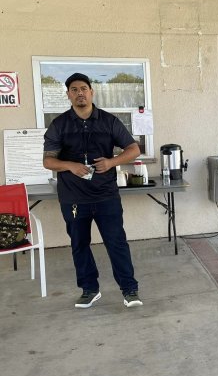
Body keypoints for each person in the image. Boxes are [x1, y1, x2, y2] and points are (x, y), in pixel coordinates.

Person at [43, 73, 143, 309]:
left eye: (84, 88)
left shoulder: (109, 121)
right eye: (74, 89)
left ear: (91, 92)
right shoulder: (59, 125)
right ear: (68, 94)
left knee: (117, 243)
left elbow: (133, 149)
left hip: (106, 195)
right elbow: (48, 161)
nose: (80, 93)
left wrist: (112, 162)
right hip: (74, 198)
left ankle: (129, 289)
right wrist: (70, 165)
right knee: (79, 245)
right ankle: (90, 290)